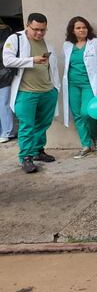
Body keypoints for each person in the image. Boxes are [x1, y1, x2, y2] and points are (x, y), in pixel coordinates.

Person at [2, 12, 61, 173]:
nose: (39, 33)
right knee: (27, 126)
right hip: (26, 92)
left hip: (47, 91)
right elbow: (7, 60)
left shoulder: (48, 44)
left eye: (43, 30)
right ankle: (26, 158)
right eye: (36, 29)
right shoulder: (16, 39)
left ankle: (38, 151)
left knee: (43, 123)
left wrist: (55, 88)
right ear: (27, 25)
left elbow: (52, 68)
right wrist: (31, 60)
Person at [62, 16, 97, 158]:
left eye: (84, 27)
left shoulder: (96, 43)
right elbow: (66, 65)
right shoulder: (67, 45)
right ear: (72, 30)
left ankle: (96, 137)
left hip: (90, 84)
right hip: (72, 84)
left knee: (87, 113)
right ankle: (86, 145)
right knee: (77, 114)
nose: (82, 30)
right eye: (78, 28)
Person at [0, 18, 16, 143]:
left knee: (4, 103)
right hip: (4, 72)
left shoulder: (5, 33)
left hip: (3, 74)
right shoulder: (8, 32)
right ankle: (6, 131)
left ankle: (7, 131)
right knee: (4, 103)